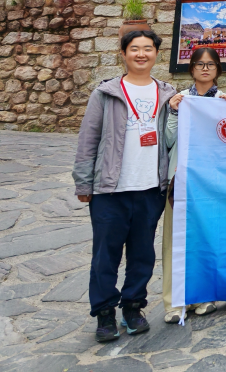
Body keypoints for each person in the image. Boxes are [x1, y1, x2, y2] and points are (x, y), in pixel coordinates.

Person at [73, 30, 176, 342]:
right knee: (106, 255)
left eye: (148, 49)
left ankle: (133, 306)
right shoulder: (105, 94)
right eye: (134, 49)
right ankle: (104, 312)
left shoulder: (168, 94)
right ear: (123, 53)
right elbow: (88, 140)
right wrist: (83, 182)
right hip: (110, 190)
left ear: (157, 53)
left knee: (142, 254)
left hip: (150, 189)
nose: (141, 54)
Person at [162, 47, 226, 324]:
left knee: (206, 238)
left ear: (217, 69)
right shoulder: (180, 99)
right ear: (191, 68)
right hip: (180, 179)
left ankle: (204, 296)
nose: (205, 68)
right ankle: (174, 301)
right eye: (200, 64)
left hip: (210, 182)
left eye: (210, 64)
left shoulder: (224, 100)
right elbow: (168, 140)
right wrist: (173, 111)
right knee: (175, 241)